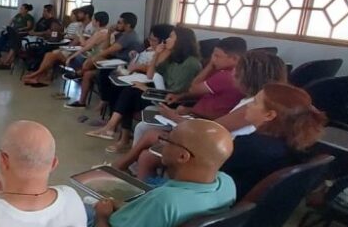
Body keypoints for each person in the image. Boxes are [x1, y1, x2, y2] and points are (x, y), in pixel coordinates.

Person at [87, 119, 236, 227]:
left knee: (69, 208)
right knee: (89, 202)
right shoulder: (227, 184)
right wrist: (122, 206)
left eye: (167, 140)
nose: (162, 143)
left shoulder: (164, 202)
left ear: (182, 156)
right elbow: (155, 217)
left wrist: (101, 217)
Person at [113, 50, 289, 179]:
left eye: (238, 70)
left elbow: (211, 130)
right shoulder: (256, 100)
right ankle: (124, 167)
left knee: (147, 155)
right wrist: (188, 112)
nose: (233, 73)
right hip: (214, 142)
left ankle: (134, 180)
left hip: (213, 151)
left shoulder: (252, 106)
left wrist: (172, 116)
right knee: (151, 135)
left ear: (251, 76)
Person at [86, 27, 202, 152]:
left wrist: (146, 88)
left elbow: (177, 92)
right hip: (161, 94)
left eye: (171, 37)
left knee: (130, 95)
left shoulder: (191, 63)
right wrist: (157, 54)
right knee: (129, 91)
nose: (167, 39)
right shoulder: (173, 59)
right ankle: (115, 132)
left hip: (172, 101)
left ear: (181, 41)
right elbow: (150, 75)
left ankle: (115, 132)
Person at [219, 83, 327, 198]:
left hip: (226, 196)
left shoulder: (250, 145)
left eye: (255, 102)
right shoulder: (296, 142)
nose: (248, 105)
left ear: (269, 115)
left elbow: (210, 173)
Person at [65, 12, 144, 108]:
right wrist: (109, 33)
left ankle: (79, 73)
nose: (116, 24)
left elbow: (108, 50)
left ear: (127, 25)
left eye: (119, 22)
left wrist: (95, 57)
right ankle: (81, 102)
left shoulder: (129, 36)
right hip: (113, 61)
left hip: (121, 66)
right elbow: (105, 47)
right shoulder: (121, 34)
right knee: (87, 74)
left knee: (92, 61)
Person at [165, 37, 247, 119]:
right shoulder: (226, 72)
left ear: (235, 58)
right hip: (197, 116)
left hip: (203, 121)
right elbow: (204, 93)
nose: (213, 59)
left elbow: (193, 88)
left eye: (217, 56)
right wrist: (181, 97)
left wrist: (210, 65)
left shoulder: (227, 76)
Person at [22, 9, 108, 87]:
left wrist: (71, 56)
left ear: (97, 22)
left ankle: (35, 75)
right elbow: (85, 45)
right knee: (50, 54)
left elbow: (85, 46)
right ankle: (38, 75)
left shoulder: (101, 34)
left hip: (86, 59)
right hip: (83, 54)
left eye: (93, 19)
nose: (92, 21)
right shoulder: (99, 32)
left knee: (51, 55)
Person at [0, 3, 35, 68]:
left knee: (13, 41)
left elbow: (29, 26)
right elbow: (12, 20)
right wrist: (9, 25)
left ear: (26, 10)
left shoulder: (29, 17)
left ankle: (8, 60)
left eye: (22, 9)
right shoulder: (18, 15)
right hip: (14, 30)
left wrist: (21, 28)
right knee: (3, 35)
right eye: (20, 8)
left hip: (21, 32)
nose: (20, 10)